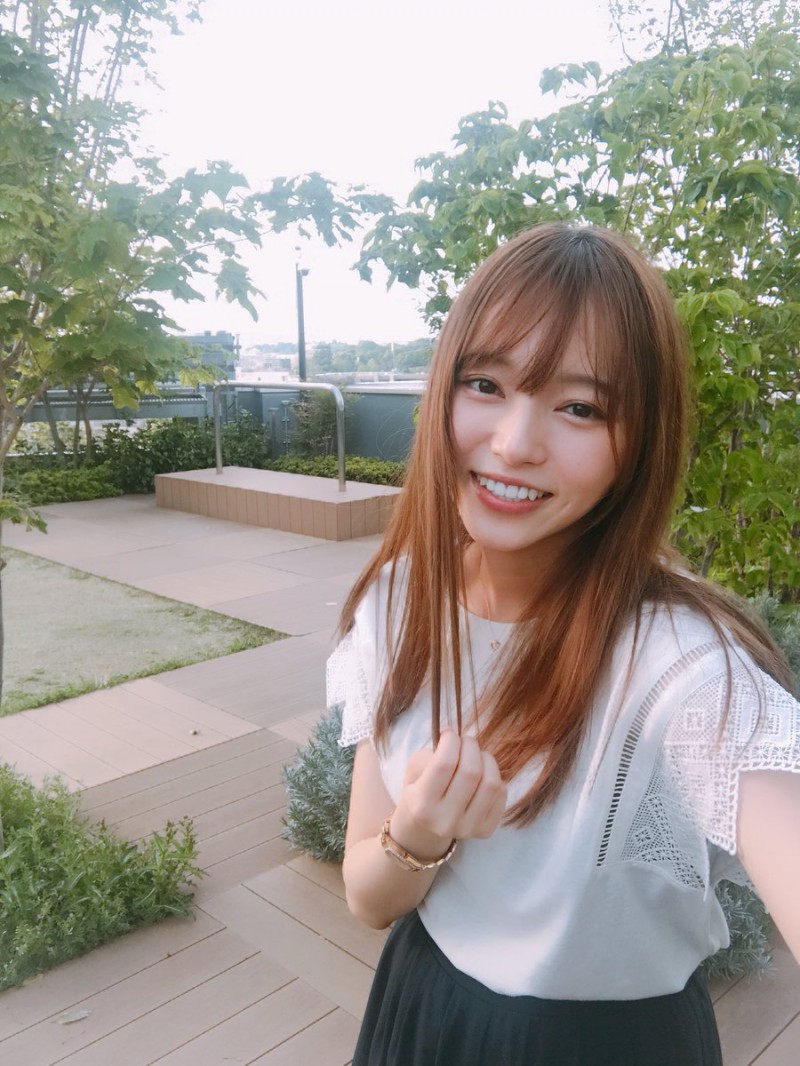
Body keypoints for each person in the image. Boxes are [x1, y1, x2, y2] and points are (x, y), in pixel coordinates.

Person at [327, 223, 800, 1065]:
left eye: (580, 407)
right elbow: (368, 899)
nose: (514, 444)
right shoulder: (397, 605)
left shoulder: (683, 668)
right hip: (420, 1012)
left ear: (638, 443)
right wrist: (420, 831)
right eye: (485, 384)